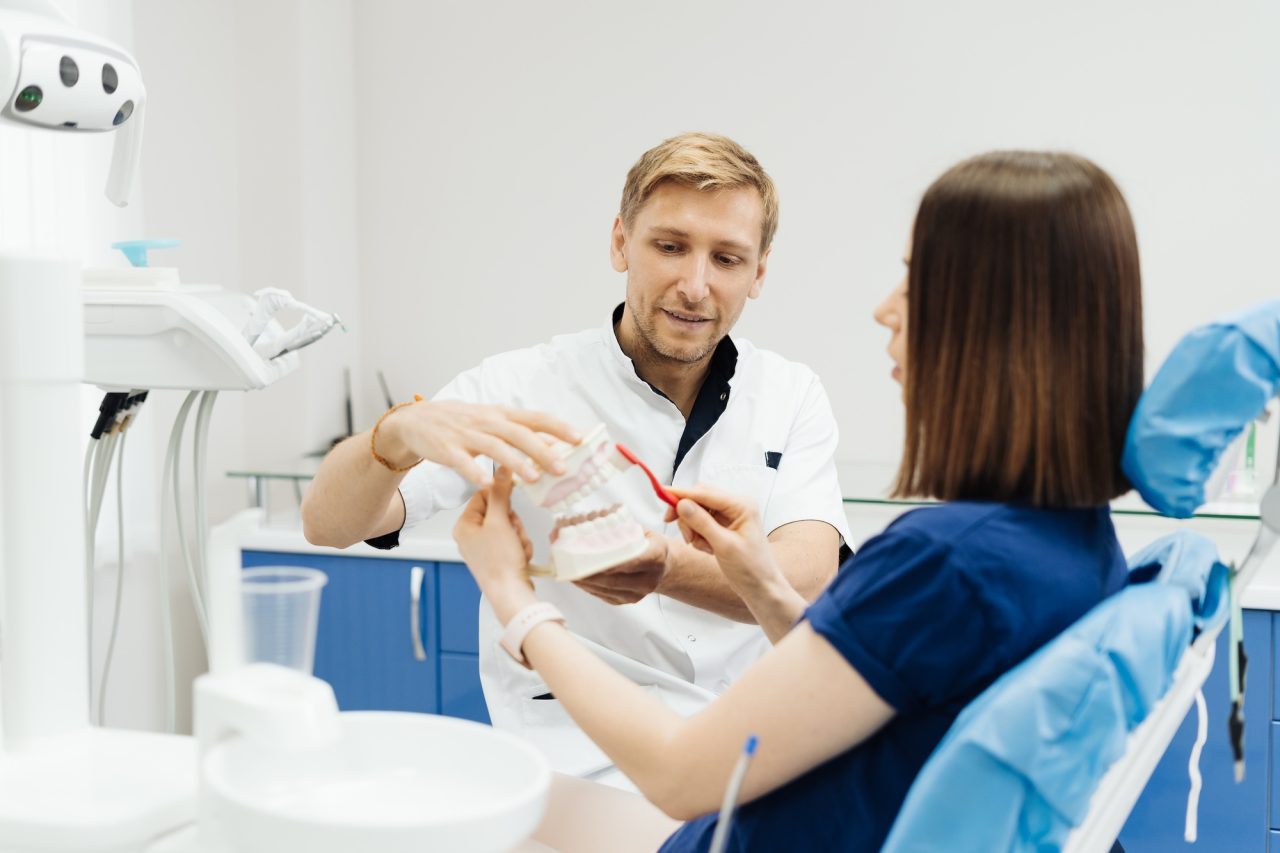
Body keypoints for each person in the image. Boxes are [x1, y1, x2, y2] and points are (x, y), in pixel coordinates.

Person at [452, 150, 1144, 850]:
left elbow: (675, 774)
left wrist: (513, 595)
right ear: (621, 242)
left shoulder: (943, 564)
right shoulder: (1073, 543)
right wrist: (758, 581)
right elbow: (876, 676)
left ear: (996, 320)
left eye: (915, 279)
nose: (884, 309)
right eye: (670, 246)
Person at [301, 132, 851, 781]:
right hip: (572, 747)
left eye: (727, 258)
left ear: (758, 272)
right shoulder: (520, 385)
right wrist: (392, 436)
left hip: (746, 742)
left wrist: (663, 566)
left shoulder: (790, 394)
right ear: (621, 241)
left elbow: (806, 581)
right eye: (669, 246)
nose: (695, 284)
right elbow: (327, 523)